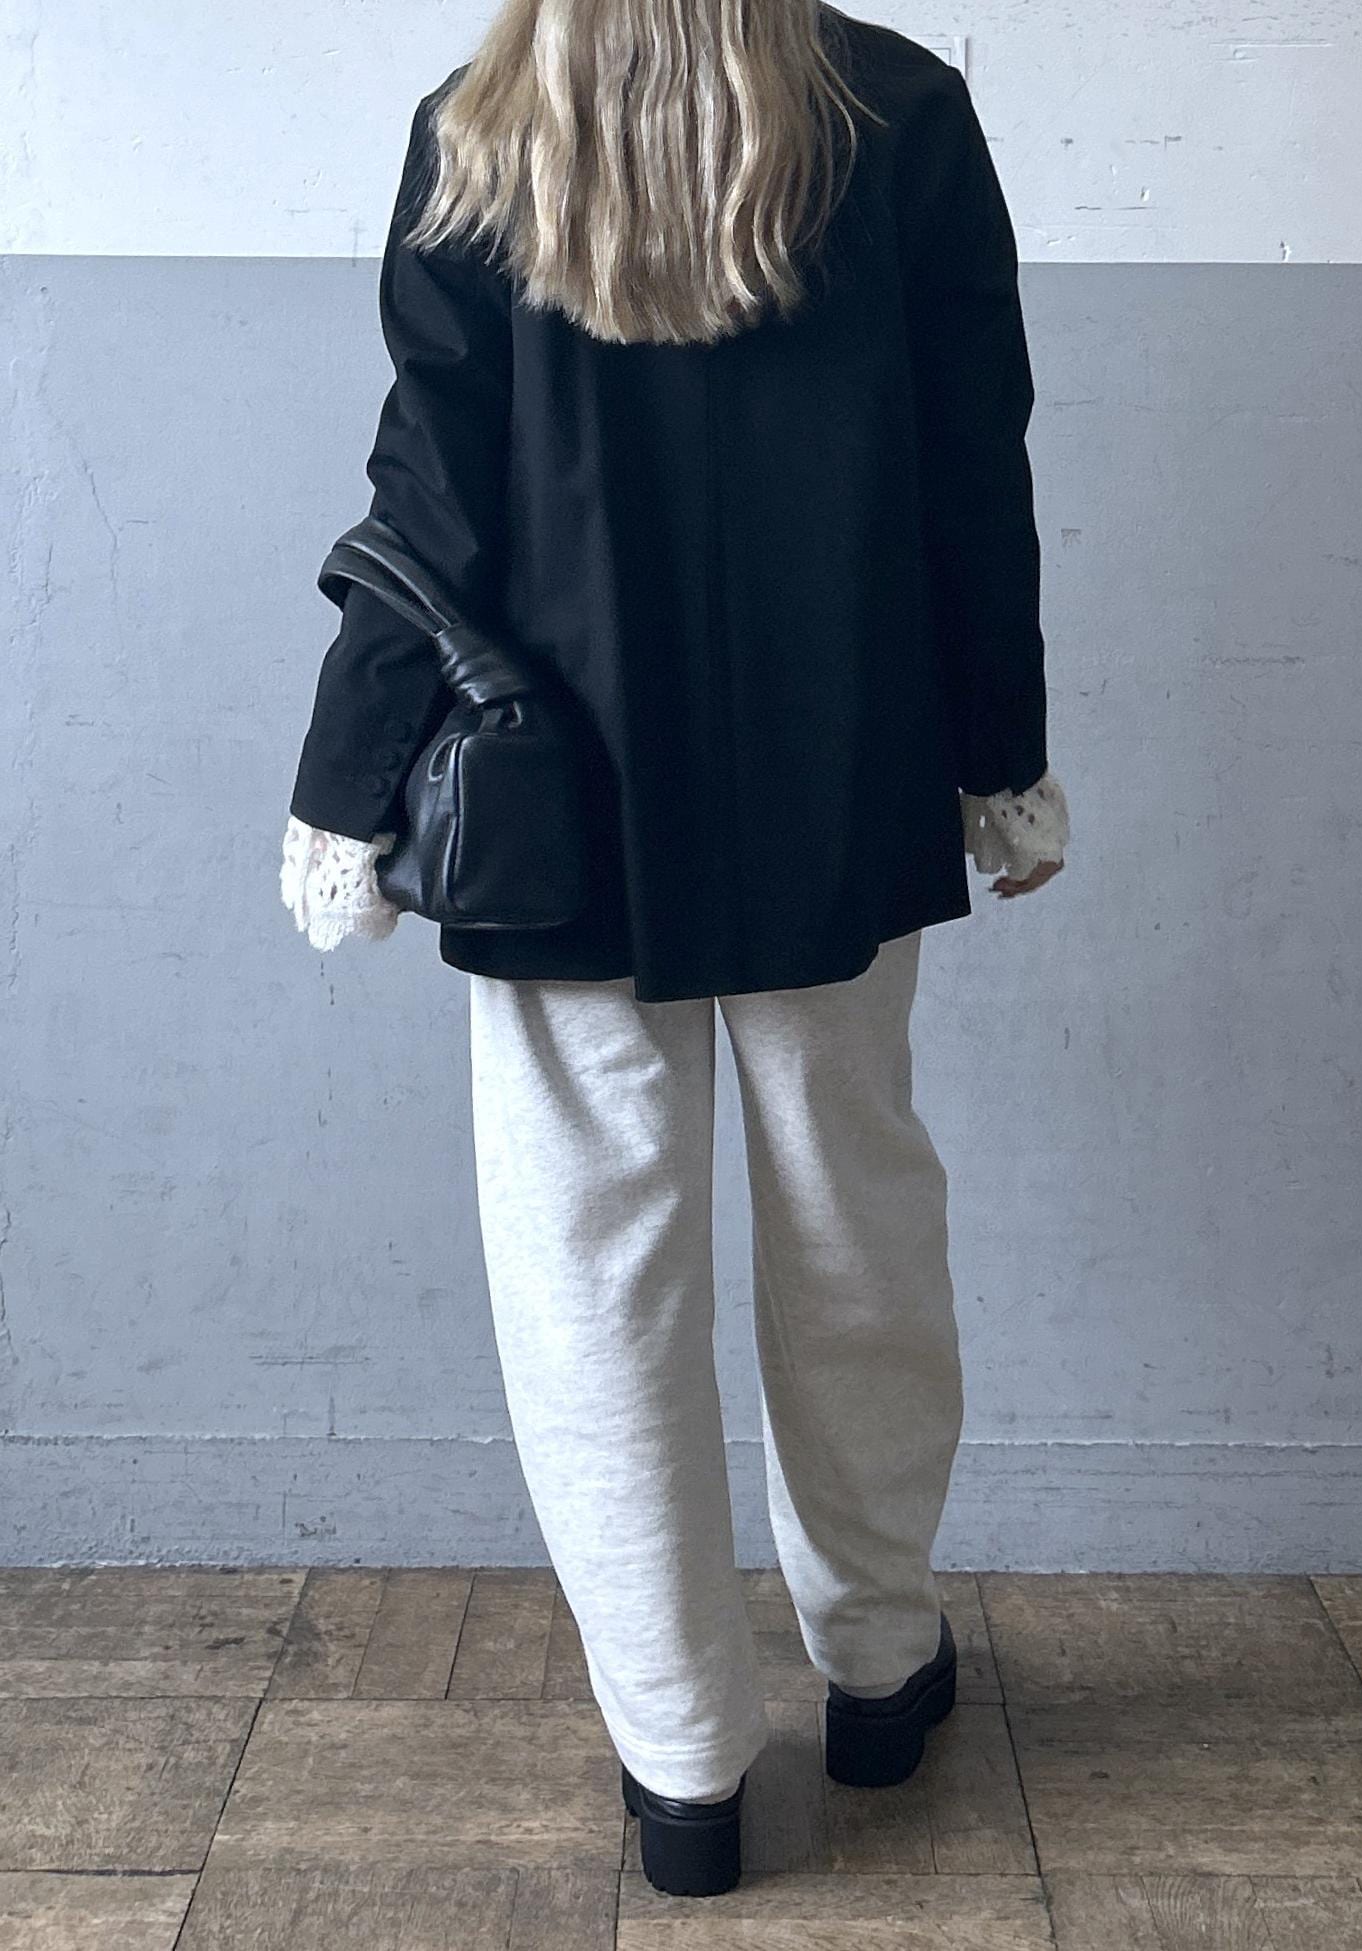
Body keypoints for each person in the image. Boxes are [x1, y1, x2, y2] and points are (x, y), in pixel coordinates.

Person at [281, 0, 1069, 1899]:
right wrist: (1000, 750)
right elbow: (973, 459)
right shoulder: (897, 108)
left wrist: (344, 783)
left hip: (557, 797)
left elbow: (431, 493)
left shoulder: (481, 120)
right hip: (836, 773)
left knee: (589, 1278)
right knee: (854, 1225)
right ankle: (876, 1663)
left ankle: (683, 1764)